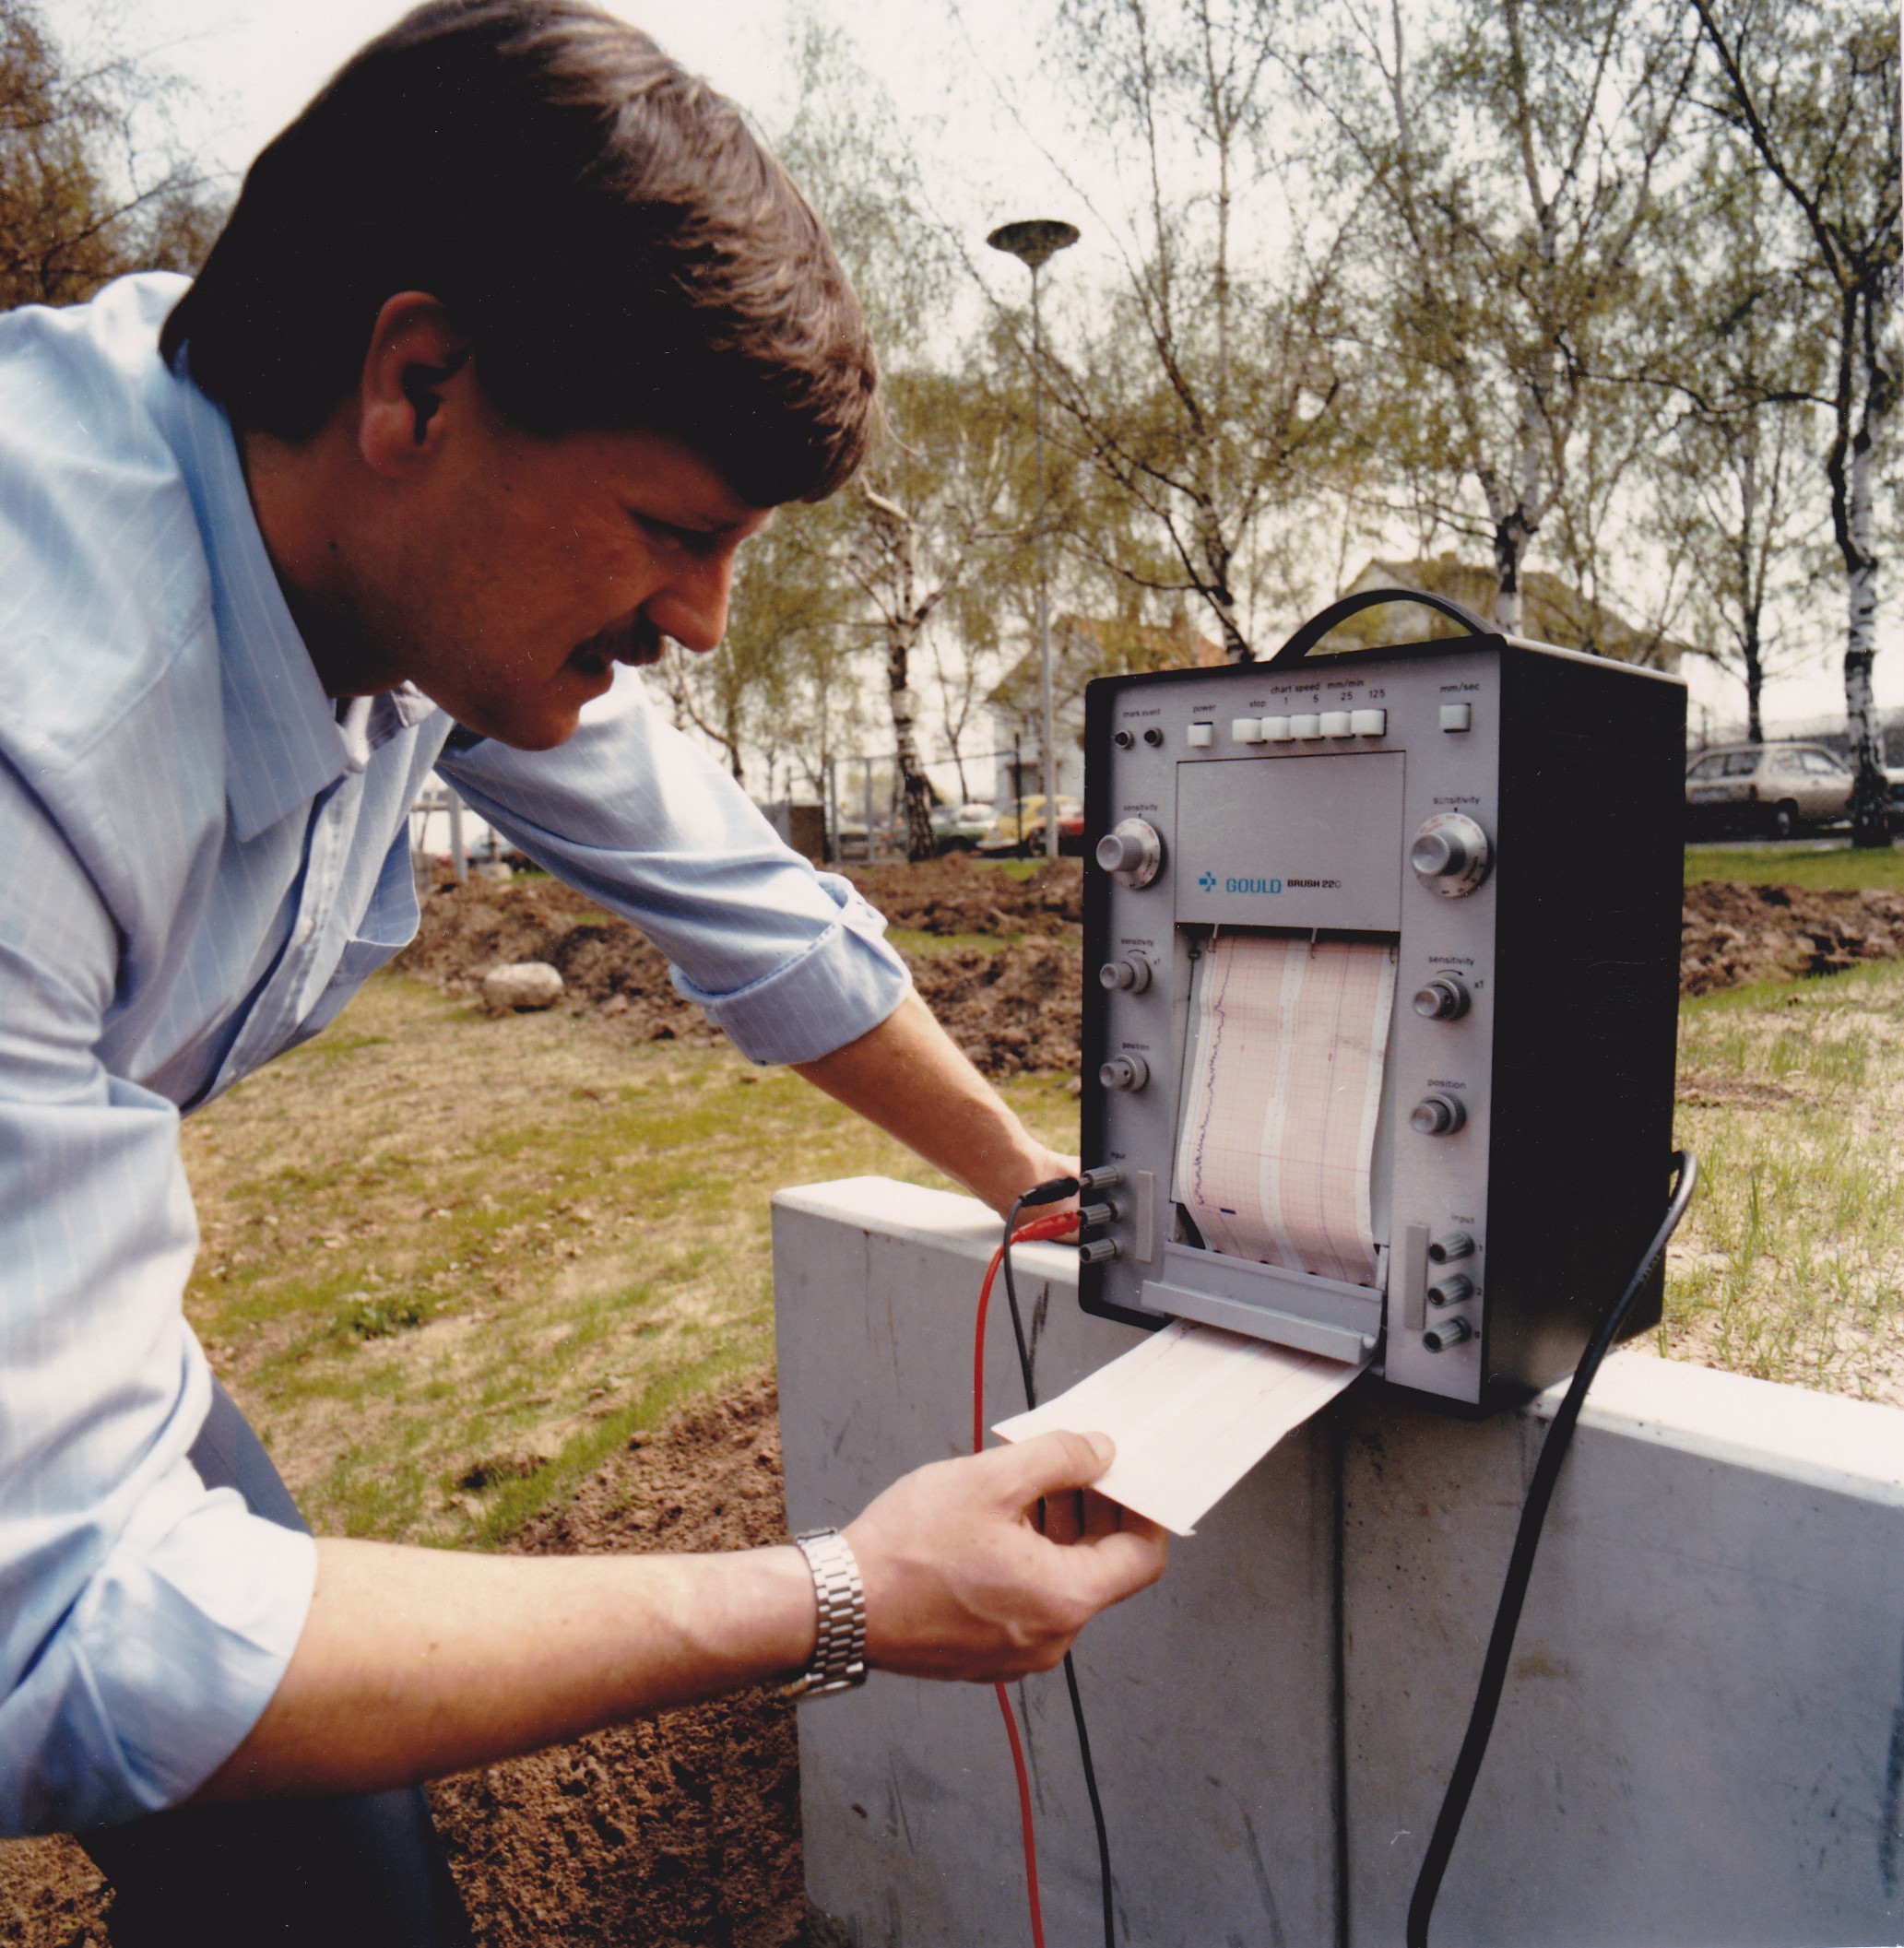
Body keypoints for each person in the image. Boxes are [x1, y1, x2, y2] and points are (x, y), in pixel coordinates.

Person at [0, 2, 1168, 1939]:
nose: (700, 624)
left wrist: (1030, 1180)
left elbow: (746, 901)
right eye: (673, 534)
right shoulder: (42, 718)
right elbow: (72, 1632)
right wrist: (843, 1597)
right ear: (420, 381)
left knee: (337, 1893)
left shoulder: (369, 537)